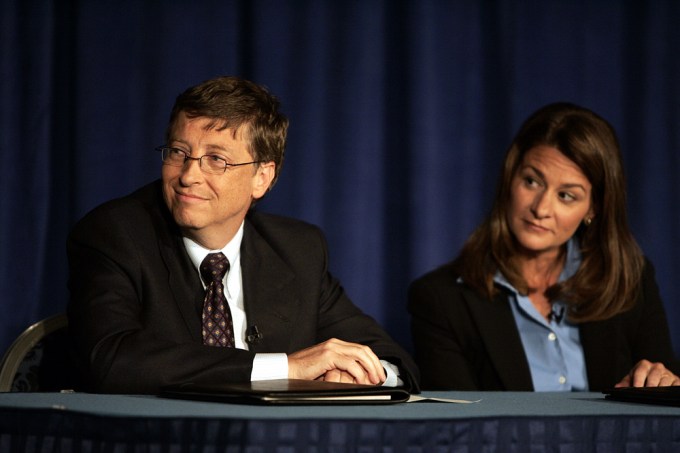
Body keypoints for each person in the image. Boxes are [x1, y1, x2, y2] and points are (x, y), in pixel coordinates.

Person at [67, 75, 419, 394]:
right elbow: (111, 359)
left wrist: (362, 373)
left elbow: (393, 360)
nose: (188, 175)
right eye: (178, 153)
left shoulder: (297, 250)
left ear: (262, 178)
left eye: (216, 159)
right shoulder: (115, 234)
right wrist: (286, 368)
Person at [408, 102, 680, 391]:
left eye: (566, 196)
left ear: (593, 208)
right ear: (510, 178)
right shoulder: (440, 299)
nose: (541, 208)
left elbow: (662, 402)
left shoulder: (630, 280)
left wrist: (662, 381)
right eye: (532, 181)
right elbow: (458, 427)